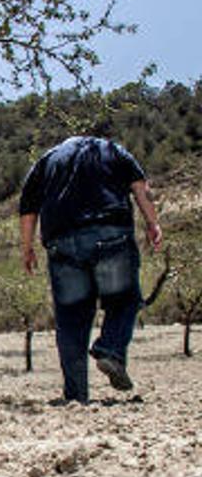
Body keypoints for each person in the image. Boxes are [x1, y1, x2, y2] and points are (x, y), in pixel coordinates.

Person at [19, 135, 162, 403]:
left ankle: (76, 395)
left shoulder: (47, 161)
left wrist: (26, 248)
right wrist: (152, 222)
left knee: (71, 320)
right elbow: (141, 188)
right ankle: (110, 349)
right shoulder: (112, 150)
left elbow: (28, 208)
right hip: (111, 234)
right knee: (124, 299)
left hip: (62, 243)